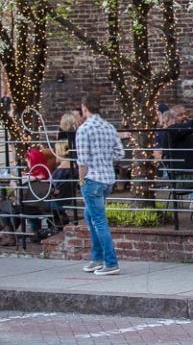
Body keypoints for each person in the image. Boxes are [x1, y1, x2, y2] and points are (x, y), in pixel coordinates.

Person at [77, 93, 125, 275]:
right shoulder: (109, 127)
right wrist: (105, 158)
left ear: (84, 108)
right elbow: (120, 153)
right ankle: (97, 258)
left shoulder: (84, 129)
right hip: (107, 178)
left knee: (98, 220)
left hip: (92, 179)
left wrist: (81, 180)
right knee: (90, 215)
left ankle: (111, 262)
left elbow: (82, 160)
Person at [0, 149, 52, 246]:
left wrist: (13, 185)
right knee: (14, 208)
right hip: (42, 206)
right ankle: (31, 233)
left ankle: (10, 235)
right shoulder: (48, 175)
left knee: (2, 206)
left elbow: (19, 197)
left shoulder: (26, 178)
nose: (27, 162)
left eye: (28, 160)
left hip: (25, 207)